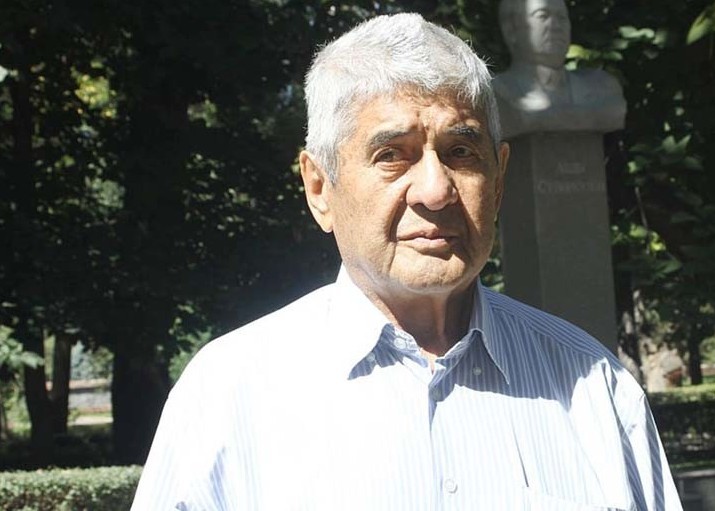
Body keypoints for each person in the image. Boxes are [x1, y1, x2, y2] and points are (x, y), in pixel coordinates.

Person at [132, 13, 681, 510]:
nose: (436, 190)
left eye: (461, 152)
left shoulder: (594, 385)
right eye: (391, 155)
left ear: (499, 179)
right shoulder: (230, 394)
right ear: (319, 188)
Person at [493, 0, 626, 139]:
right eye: (542, 16)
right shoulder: (495, 93)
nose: (556, 26)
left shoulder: (603, 88)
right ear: (511, 31)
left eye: (562, 17)